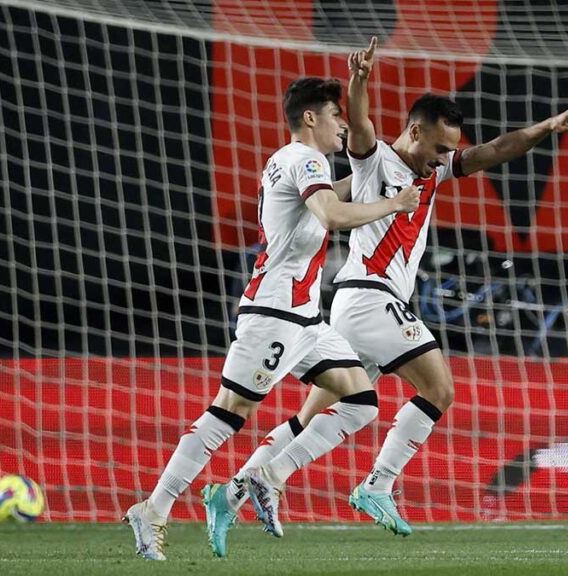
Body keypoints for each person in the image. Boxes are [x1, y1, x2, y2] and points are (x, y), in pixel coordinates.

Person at [201, 37, 568, 553]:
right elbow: (358, 125)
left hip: (355, 305)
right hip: (368, 297)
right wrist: (359, 81)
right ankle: (377, 485)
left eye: (449, 151)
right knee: (438, 390)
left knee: (313, 414)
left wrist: (547, 127)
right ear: (413, 131)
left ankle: (235, 490)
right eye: (439, 148)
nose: (444, 159)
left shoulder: (434, 170)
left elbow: (494, 151)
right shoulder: (374, 160)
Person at [123, 76, 421, 560]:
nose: (343, 125)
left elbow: (328, 196)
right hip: (274, 314)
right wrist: (394, 203)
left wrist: (373, 179)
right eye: (334, 116)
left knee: (362, 402)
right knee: (229, 413)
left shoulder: (297, 162)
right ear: (310, 118)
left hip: (306, 320)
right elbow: (330, 215)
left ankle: (266, 475)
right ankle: (153, 509)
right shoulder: (305, 158)